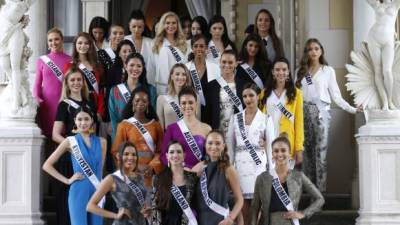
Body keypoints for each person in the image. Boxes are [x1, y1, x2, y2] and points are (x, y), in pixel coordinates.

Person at [295, 38, 361, 191]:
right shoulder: (300, 71)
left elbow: (336, 96)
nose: (313, 51)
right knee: (307, 155)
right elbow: (294, 96)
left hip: (321, 114)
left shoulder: (327, 71)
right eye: (310, 49)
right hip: (303, 113)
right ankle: (310, 191)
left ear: (321, 51)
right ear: (306, 52)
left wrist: (352, 109)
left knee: (321, 154)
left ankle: (321, 192)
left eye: (316, 48)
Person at [43, 105, 107, 225]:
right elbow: (47, 165)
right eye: (80, 119)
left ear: (92, 120)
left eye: (86, 119)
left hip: (97, 190)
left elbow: (100, 169)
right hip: (78, 191)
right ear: (75, 121)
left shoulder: (102, 142)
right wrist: (67, 180)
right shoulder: (70, 141)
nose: (83, 123)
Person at [51, 66, 97, 225]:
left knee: (87, 201)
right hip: (71, 157)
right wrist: (70, 146)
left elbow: (94, 132)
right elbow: (55, 134)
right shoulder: (64, 105)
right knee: (68, 202)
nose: (76, 83)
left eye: (79, 79)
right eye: (72, 80)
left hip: (88, 158)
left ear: (83, 82)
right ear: (67, 83)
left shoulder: (90, 103)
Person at [226, 83, 274, 225]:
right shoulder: (235, 119)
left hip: (258, 169)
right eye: (245, 96)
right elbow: (230, 147)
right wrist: (229, 169)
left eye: (251, 95)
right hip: (239, 169)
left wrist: (271, 173)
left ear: (258, 96)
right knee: (243, 211)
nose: (248, 99)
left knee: (258, 212)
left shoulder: (266, 119)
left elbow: (271, 148)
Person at [250, 134, 324, 225]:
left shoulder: (298, 176)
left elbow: (320, 199)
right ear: (272, 154)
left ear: (289, 153)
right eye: (276, 151)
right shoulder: (262, 178)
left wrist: (303, 213)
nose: (279, 154)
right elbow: (254, 209)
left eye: (283, 150)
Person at [87, 142, 151, 225]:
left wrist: (147, 210)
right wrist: (115, 215)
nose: (130, 157)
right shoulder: (112, 178)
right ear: (119, 156)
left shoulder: (140, 177)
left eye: (133, 154)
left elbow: (140, 202)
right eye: (126, 154)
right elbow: (90, 206)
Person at [111, 86, 164, 187]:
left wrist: (152, 167)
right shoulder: (124, 125)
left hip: (150, 174)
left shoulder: (156, 125)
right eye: (137, 100)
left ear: (148, 104)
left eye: (144, 101)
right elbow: (116, 152)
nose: (140, 103)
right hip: (130, 173)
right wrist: (134, 167)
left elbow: (161, 151)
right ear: (132, 103)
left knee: (149, 202)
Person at [192, 130, 244, 225]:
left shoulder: (228, 169)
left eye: (218, 143)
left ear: (223, 146)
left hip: (222, 221)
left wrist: (230, 219)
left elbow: (239, 199)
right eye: (210, 143)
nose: (214, 147)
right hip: (201, 221)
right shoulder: (198, 167)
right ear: (205, 145)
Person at [259, 57, 304, 165]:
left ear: (288, 72)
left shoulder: (296, 93)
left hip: (286, 141)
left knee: (285, 177)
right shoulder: (264, 93)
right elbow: (259, 119)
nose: (281, 72)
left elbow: (299, 122)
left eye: (284, 70)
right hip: (268, 140)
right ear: (273, 72)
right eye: (277, 69)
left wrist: (299, 148)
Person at [33, 28, 72, 138]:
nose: (53, 43)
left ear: (62, 40)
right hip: (46, 105)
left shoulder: (70, 60)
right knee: (47, 137)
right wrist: (37, 98)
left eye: (56, 39)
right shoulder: (42, 60)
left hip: (64, 103)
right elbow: (37, 83)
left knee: (62, 136)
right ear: (47, 42)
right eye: (50, 40)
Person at [108, 53, 157, 140]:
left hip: (143, 139)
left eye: (139, 66)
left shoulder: (150, 90)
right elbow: (114, 119)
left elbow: (152, 117)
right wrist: (119, 140)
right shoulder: (114, 90)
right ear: (125, 66)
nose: (135, 68)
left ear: (143, 68)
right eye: (132, 65)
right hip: (121, 139)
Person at [160, 87, 211, 169]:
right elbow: (163, 156)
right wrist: (183, 167)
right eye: (184, 103)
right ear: (179, 105)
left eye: (191, 102)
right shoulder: (171, 129)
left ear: (196, 104)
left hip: (201, 173)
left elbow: (211, 155)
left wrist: (202, 165)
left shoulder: (207, 128)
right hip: (179, 174)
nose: (187, 106)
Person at [152, 141, 199, 225]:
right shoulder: (158, 178)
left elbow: (197, 205)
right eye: (172, 152)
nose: (175, 155)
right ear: (167, 156)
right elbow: (155, 208)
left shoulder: (193, 178)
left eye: (179, 152)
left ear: (184, 155)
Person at [365, 0, 400, 110]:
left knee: (387, 71)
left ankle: (390, 101)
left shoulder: (395, 4)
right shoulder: (376, 4)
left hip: (388, 40)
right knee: (378, 71)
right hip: (373, 38)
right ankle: (384, 101)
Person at [64, 32, 105, 121]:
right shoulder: (69, 66)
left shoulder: (97, 66)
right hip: (76, 105)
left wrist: (100, 111)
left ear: (90, 45)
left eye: (86, 43)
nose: (83, 46)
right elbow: (66, 90)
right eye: (80, 43)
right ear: (75, 45)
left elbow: (101, 92)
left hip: (94, 104)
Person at [204, 50, 243, 137]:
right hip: (217, 134)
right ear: (219, 63)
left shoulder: (243, 85)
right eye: (224, 62)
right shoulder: (210, 86)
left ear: (236, 64)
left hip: (237, 134)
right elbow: (207, 114)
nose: (227, 65)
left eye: (230, 62)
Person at [151, 11, 189, 94]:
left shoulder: (183, 43)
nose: (171, 26)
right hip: (162, 87)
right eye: (167, 23)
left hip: (181, 85)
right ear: (163, 25)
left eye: (173, 23)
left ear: (177, 25)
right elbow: (151, 68)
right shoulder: (155, 43)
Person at [185, 34, 220, 122]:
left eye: (201, 46)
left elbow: (216, 95)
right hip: (190, 112)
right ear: (192, 49)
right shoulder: (186, 68)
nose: (199, 49)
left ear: (206, 48)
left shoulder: (215, 68)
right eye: (195, 46)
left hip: (210, 112)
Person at [156, 63, 192, 130]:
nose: (181, 77)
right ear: (172, 76)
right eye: (177, 74)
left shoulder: (194, 97)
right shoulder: (161, 99)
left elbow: (197, 124)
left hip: (188, 138)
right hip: (170, 139)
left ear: (187, 77)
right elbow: (160, 128)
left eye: (184, 74)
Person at [124, 10, 155, 86]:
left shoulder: (151, 43)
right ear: (129, 26)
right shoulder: (123, 41)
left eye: (139, 27)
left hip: (148, 80)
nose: (136, 30)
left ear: (144, 27)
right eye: (134, 26)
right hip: (127, 80)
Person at [237, 33, 270, 102]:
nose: (253, 49)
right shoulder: (237, 63)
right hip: (241, 101)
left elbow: (268, 84)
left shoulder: (266, 65)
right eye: (250, 45)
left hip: (259, 101)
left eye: (256, 46)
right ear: (245, 45)